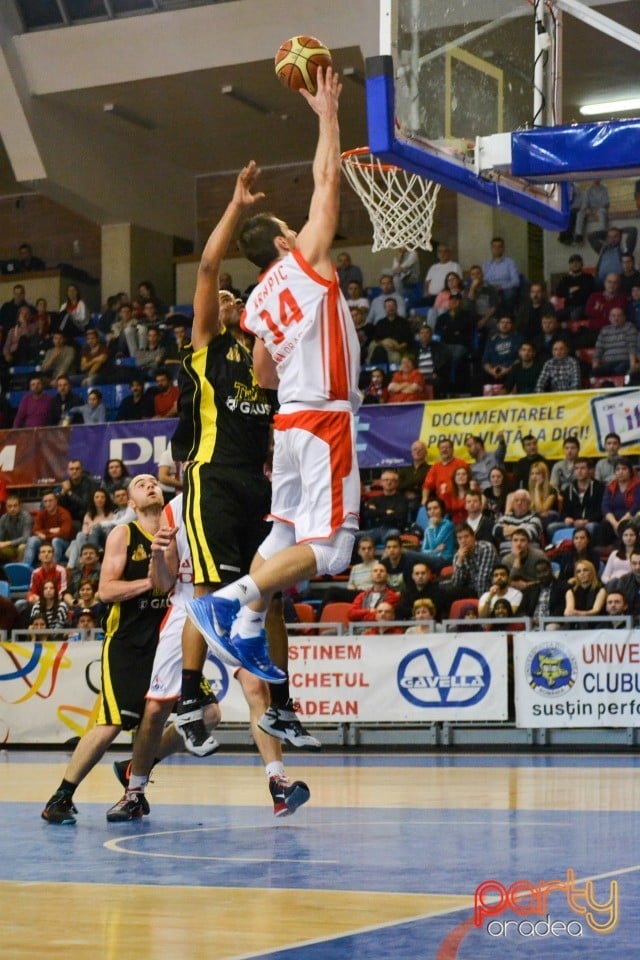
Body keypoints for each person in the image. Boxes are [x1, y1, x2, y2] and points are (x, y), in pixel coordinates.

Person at [106, 493, 311, 822]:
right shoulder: (175, 507)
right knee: (157, 706)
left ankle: (278, 783)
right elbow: (163, 582)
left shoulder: (242, 492)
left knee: (258, 689)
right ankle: (134, 791)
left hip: (235, 601)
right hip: (187, 603)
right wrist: (158, 555)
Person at [41, 474, 170, 824]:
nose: (150, 485)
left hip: (166, 642)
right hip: (127, 641)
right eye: (141, 484)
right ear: (131, 503)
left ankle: (134, 779)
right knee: (112, 723)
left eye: (154, 481)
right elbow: (106, 591)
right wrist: (152, 582)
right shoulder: (123, 534)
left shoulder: (178, 534)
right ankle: (61, 797)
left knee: (207, 716)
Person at [23, 490, 74, 566]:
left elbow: (65, 533)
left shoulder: (64, 513)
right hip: (46, 541)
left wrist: (46, 536)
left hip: (64, 543)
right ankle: (25, 566)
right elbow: (35, 531)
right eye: (45, 501)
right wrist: (50, 531)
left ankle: (52, 567)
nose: (48, 504)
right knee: (32, 539)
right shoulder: (41, 514)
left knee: (56, 540)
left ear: (56, 501)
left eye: (50, 501)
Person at [67, 488, 115, 568]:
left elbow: (108, 532)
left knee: (75, 543)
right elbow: (85, 531)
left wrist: (93, 528)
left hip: (102, 542)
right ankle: (76, 563)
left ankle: (76, 563)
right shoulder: (88, 515)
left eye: (102, 497)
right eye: (97, 497)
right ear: (93, 499)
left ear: (106, 500)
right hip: (87, 540)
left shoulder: (111, 515)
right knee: (78, 537)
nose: (99, 499)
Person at [448, 522, 497, 600]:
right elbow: (456, 584)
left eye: (466, 537)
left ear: (473, 537)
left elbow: (483, 579)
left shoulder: (486, 548)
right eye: (459, 538)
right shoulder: (458, 556)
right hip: (470, 590)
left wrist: (481, 603)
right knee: (448, 592)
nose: (463, 541)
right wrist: (460, 561)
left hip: (489, 590)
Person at [361, 469, 409, 542]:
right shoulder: (375, 499)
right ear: (381, 483)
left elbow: (399, 518)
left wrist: (376, 513)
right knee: (352, 538)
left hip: (393, 530)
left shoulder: (402, 500)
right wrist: (386, 512)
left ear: (397, 483)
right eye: (386, 480)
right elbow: (366, 514)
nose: (389, 482)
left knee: (393, 536)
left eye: (392, 480)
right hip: (374, 530)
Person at [519, 557, 568, 627]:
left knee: (551, 628)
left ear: (551, 570)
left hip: (552, 623)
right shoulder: (531, 589)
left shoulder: (561, 587)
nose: (542, 575)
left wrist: (544, 621)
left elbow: (561, 610)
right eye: (539, 572)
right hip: (531, 624)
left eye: (545, 571)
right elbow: (521, 610)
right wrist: (527, 618)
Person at [592, 306, 639, 377]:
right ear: (609, 318)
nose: (616, 318)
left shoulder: (629, 327)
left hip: (624, 361)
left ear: (624, 317)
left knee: (619, 370)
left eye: (619, 316)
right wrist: (595, 366)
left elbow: (632, 347)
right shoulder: (604, 330)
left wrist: (633, 366)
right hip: (608, 363)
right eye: (613, 316)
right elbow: (599, 349)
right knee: (594, 372)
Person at [601, 458, 640, 542]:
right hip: (614, 520)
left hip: (631, 517)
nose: (620, 472)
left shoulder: (637, 484)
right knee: (603, 525)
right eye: (617, 469)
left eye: (624, 469)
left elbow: (637, 505)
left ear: (630, 471)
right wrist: (615, 523)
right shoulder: (610, 486)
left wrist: (621, 522)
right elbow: (605, 506)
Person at [421, 437, 467, 504]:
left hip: (459, 499)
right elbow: (427, 485)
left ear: (452, 449)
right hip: (441, 502)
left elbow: (469, 482)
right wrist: (424, 499)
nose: (444, 450)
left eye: (447, 447)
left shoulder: (461, 463)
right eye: (442, 448)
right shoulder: (435, 466)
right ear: (439, 450)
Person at [416, 496, 455, 572]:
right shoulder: (428, 528)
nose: (432, 511)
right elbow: (423, 550)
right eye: (429, 509)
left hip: (445, 559)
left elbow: (434, 544)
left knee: (410, 556)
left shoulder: (447, 525)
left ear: (441, 510)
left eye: (435, 508)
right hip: (433, 558)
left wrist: (432, 527)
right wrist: (434, 551)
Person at [57, 459, 99, 528]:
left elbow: (85, 505)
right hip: (70, 518)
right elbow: (58, 507)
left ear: (81, 470)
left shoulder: (91, 483)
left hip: (87, 518)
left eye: (77, 469)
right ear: (68, 471)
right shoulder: (65, 484)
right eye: (71, 469)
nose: (74, 471)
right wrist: (62, 493)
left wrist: (70, 493)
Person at [482, 237, 521, 309]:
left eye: (499, 247)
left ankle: (505, 316)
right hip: (490, 289)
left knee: (510, 294)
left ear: (503, 249)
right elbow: (483, 280)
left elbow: (516, 281)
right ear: (491, 248)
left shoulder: (510, 263)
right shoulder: (486, 264)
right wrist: (491, 287)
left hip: (504, 289)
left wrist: (502, 287)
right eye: (494, 247)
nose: (496, 249)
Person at [564, 560, 606, 625]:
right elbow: (569, 609)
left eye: (585, 570)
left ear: (592, 572)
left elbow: (596, 610)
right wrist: (569, 612)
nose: (582, 573)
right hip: (577, 623)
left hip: (596, 623)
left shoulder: (601, 589)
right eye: (578, 571)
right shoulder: (571, 590)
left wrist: (579, 613)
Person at [607, 550, 640, 620]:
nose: (638, 567)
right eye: (634, 563)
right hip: (628, 620)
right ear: (630, 564)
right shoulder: (624, 580)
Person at [0, 493, 33, 562]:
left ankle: (20, 570)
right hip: (11, 547)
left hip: (25, 545)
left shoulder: (26, 517)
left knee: (22, 548)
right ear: (6, 507)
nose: (12, 509)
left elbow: (26, 538)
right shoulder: (3, 518)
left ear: (20, 506)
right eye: (9, 506)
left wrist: (8, 543)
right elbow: (1, 537)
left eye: (15, 506)